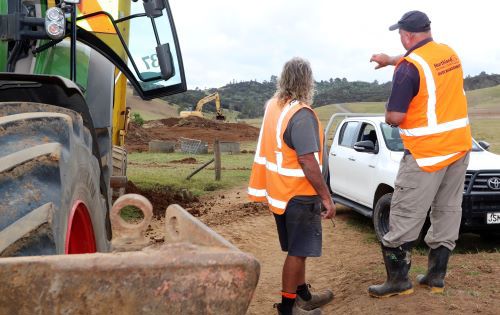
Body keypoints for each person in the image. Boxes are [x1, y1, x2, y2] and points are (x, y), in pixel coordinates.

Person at [368, 10, 472, 298]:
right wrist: (390, 60)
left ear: (407, 35)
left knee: (404, 213)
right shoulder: (447, 54)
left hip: (426, 155)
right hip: (458, 149)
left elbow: (396, 116)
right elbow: (422, 64)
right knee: (447, 211)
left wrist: (388, 115)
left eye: (400, 34)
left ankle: (399, 281)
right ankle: (436, 277)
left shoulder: (408, 69)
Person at [248, 57, 336, 315]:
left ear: (283, 79)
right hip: (299, 194)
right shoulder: (301, 115)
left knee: (300, 249)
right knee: (297, 253)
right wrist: (327, 198)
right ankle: (288, 308)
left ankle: (303, 296)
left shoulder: (274, 106)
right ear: (308, 82)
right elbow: (308, 161)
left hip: (281, 193)